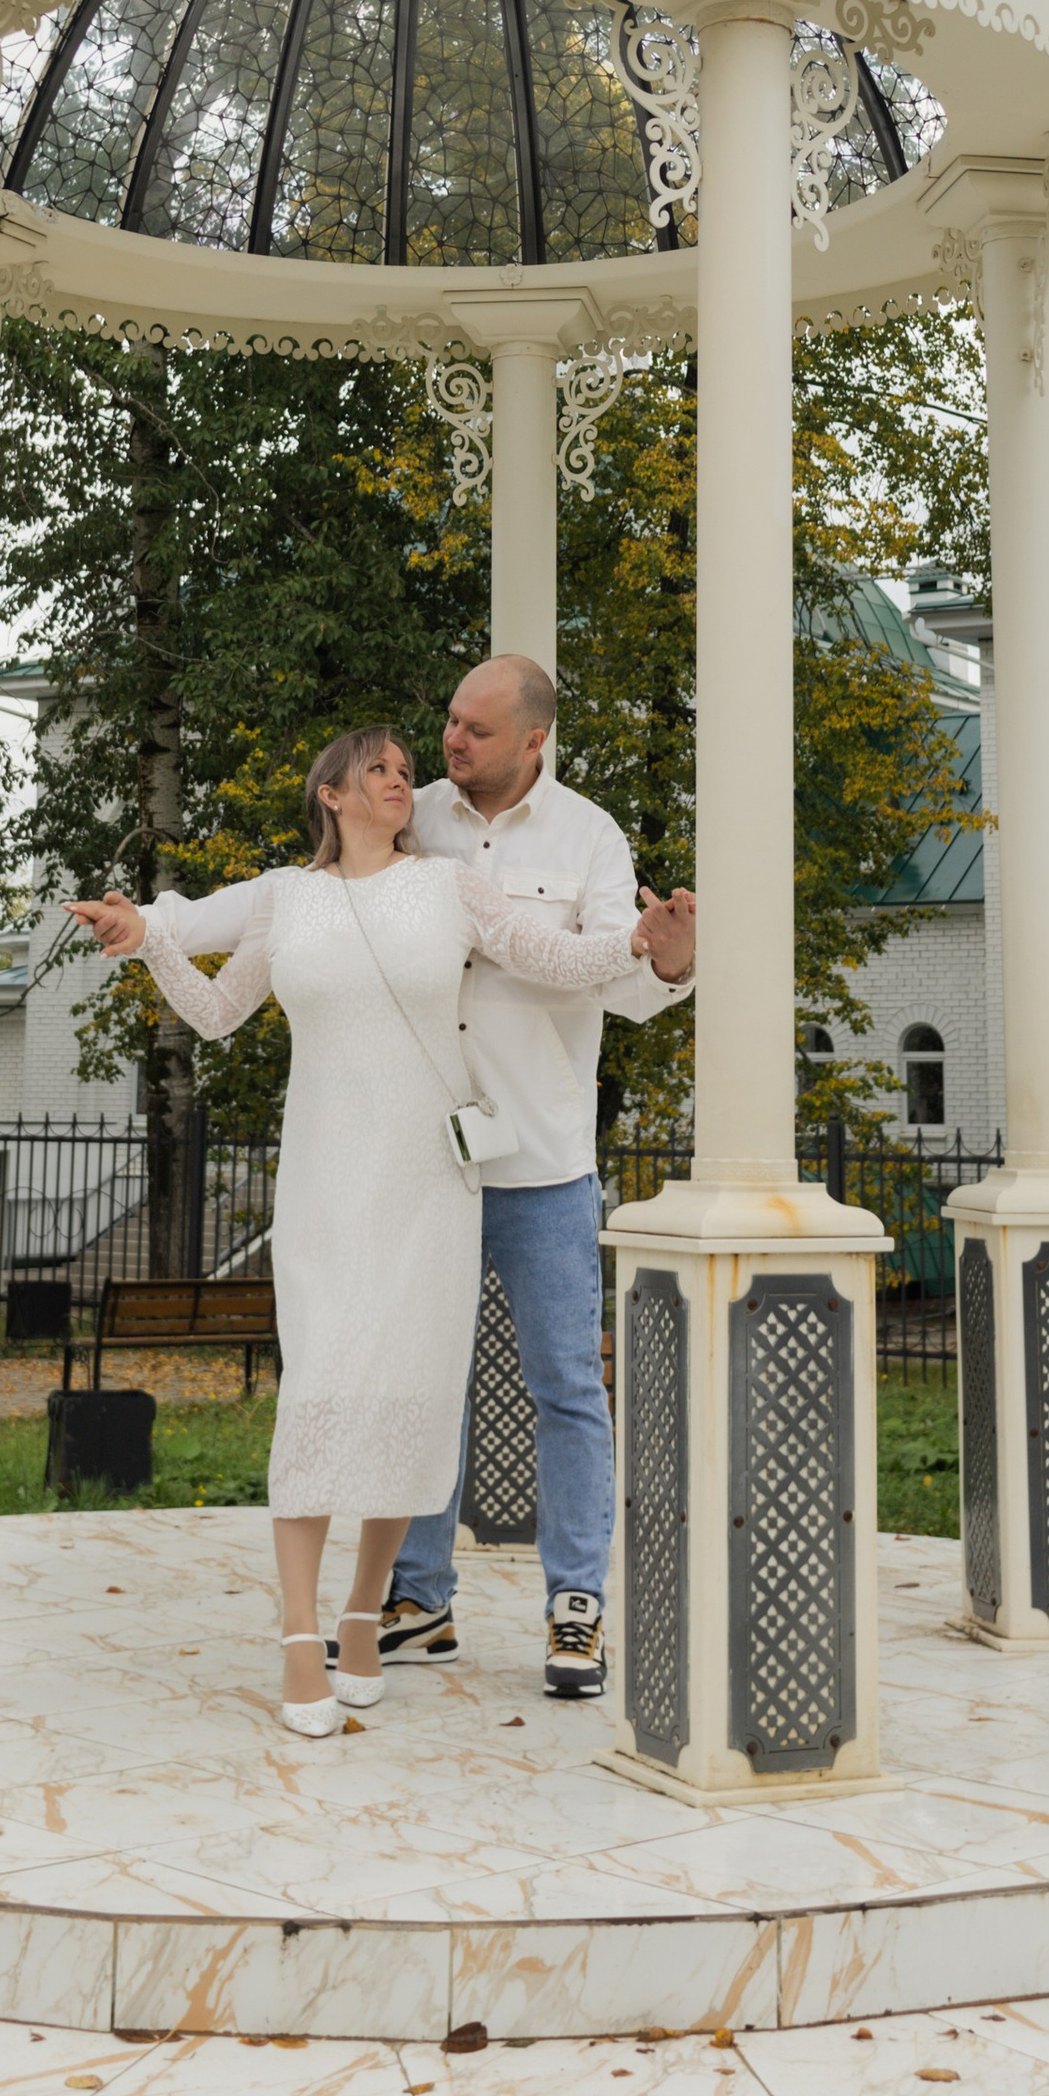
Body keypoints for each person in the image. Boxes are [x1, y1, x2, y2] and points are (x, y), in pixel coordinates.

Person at [67, 725, 693, 1740]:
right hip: (323, 1181)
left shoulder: (449, 888)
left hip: (427, 1184)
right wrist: (151, 943)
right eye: (381, 771)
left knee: (412, 1400)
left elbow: (547, 953)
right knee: (318, 1395)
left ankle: (366, 1619)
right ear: (330, 792)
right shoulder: (289, 896)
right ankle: (297, 1635)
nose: (404, 781)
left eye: (408, 770)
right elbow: (221, 1013)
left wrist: (635, 944)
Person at [385, 653, 685, 1703]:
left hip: (543, 1161)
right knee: (422, 1384)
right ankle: (416, 1599)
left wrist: (671, 961)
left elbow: (626, 983)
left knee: (566, 1388)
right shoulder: (407, 814)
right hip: (420, 1157)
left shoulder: (590, 837)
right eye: (450, 721)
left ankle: (575, 1609)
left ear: (531, 742)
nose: (450, 741)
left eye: (473, 728)